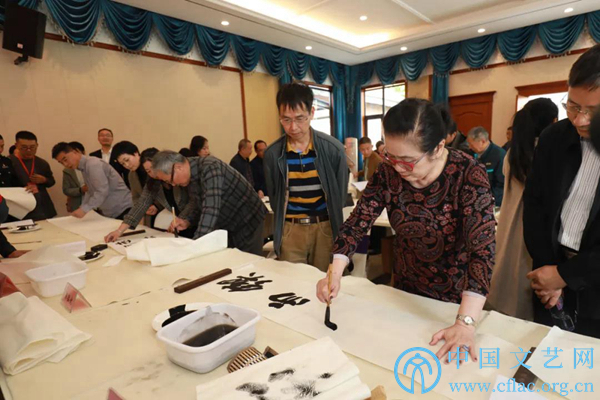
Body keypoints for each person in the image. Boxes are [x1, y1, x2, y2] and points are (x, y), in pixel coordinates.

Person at [316, 98, 495, 361]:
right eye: (391, 156)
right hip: (403, 287)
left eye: (408, 160)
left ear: (438, 147)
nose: (398, 168)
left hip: (455, 298)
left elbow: (482, 251)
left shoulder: (468, 174)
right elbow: (358, 222)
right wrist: (336, 271)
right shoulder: (387, 172)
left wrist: (465, 323)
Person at [523, 44, 600, 338]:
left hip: (593, 282)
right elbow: (535, 205)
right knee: (547, 351)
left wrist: (565, 276)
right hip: (550, 274)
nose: (580, 120)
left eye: (593, 111)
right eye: (573, 106)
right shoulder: (554, 137)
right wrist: (548, 272)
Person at [264, 82, 348, 272]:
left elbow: (339, 195)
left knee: (325, 280)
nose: (293, 127)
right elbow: (275, 197)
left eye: (300, 118)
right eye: (286, 120)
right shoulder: (272, 154)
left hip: (325, 228)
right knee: (293, 281)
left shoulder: (333, 149)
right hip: (290, 230)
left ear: (312, 112)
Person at [487, 98, 558, 321]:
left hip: (509, 219)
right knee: (523, 277)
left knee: (505, 272)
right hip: (531, 224)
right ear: (553, 122)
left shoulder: (514, 151)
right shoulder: (546, 151)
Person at [151, 151, 266, 255]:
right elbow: (199, 205)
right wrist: (187, 221)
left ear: (178, 167)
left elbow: (211, 209)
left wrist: (193, 248)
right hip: (229, 224)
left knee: (249, 263)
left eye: (170, 180)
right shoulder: (189, 177)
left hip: (248, 219)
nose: (173, 184)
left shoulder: (210, 167)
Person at [105, 148, 193, 242]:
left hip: (193, 220)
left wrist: (182, 219)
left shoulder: (178, 177)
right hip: (180, 224)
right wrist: (119, 231)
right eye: (148, 171)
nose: (153, 173)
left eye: (154, 168)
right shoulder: (153, 183)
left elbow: (193, 202)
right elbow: (141, 204)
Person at [52, 142, 132, 219]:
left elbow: (101, 191)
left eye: (65, 159)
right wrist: (82, 208)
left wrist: (84, 209)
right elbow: (90, 191)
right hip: (113, 211)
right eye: (61, 163)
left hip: (123, 209)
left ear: (75, 152)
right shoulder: (83, 167)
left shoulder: (92, 164)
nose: (65, 164)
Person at [10, 131, 57, 220]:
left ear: (37, 145)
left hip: (43, 207)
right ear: (16, 145)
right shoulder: (8, 163)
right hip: (20, 209)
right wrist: (20, 190)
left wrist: (44, 180)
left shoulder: (42, 163)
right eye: (24, 147)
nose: (29, 150)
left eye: (32, 147)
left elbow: (51, 181)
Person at [467, 126, 506, 207]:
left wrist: (487, 201)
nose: (469, 147)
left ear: (482, 141)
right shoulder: (470, 154)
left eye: (471, 144)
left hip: (493, 202)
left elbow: (501, 185)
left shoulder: (499, 155)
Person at [62, 141, 88, 213]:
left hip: (94, 205)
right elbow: (66, 190)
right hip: (77, 204)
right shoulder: (67, 170)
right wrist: (80, 190)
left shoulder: (92, 165)